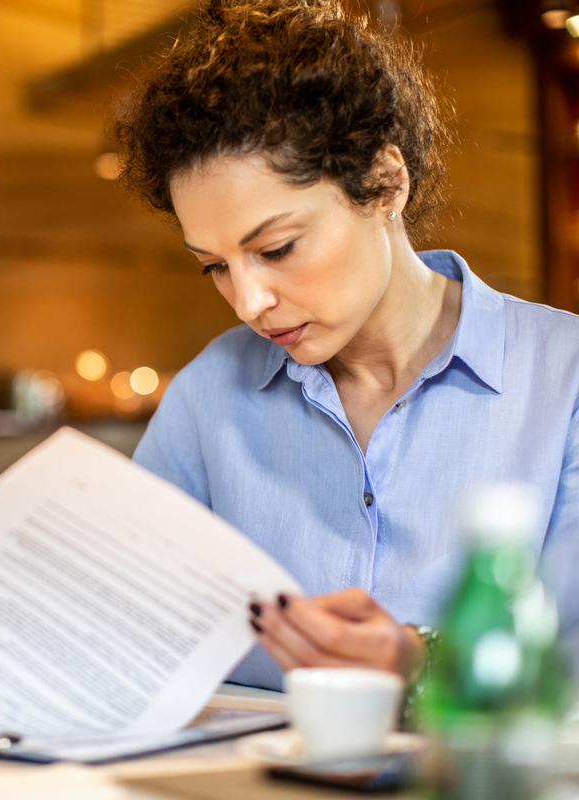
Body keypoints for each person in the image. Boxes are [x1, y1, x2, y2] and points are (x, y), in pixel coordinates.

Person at [115, 0, 579, 691]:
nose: (249, 302)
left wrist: (420, 668)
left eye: (277, 247)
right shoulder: (210, 395)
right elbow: (123, 620)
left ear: (386, 184)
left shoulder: (564, 379)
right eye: (214, 264)